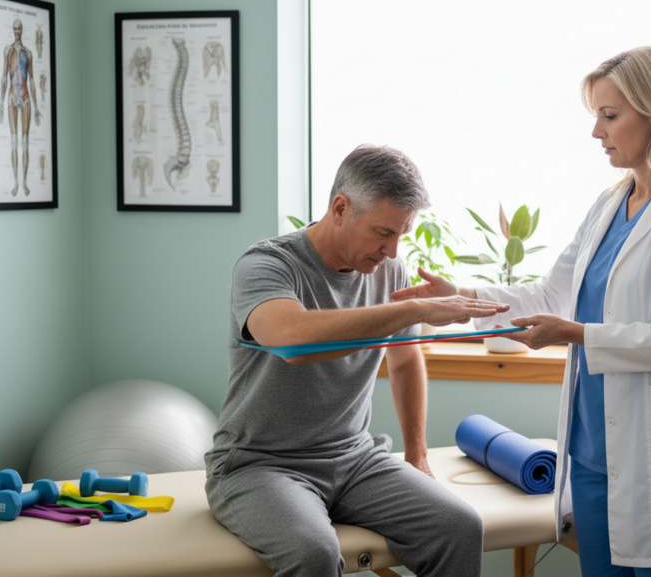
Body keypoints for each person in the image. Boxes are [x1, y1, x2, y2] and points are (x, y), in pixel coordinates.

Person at [392, 47, 651, 575]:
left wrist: (571, 333)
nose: (597, 132)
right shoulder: (608, 204)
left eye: (610, 115)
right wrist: (458, 297)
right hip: (592, 455)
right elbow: (551, 295)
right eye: (596, 115)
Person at [205, 145, 507, 577]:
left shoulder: (389, 271)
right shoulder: (266, 264)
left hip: (354, 459)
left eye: (401, 234)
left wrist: (417, 455)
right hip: (259, 465)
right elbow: (293, 340)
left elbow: (404, 360)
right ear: (340, 208)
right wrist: (413, 310)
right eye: (383, 232)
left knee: (459, 526)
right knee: (313, 553)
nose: (392, 250)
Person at [0, 19, 41, 198]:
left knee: (25, 142)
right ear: (13, 30)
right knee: (14, 142)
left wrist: (36, 107)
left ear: (22, 30)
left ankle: (24, 182)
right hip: (12, 97)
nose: (17, 31)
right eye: (15, 28)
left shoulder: (28, 53)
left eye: (19, 28)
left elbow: (32, 81)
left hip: (26, 98)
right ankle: (15, 182)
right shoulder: (8, 51)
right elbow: (3, 77)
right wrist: (1, 103)